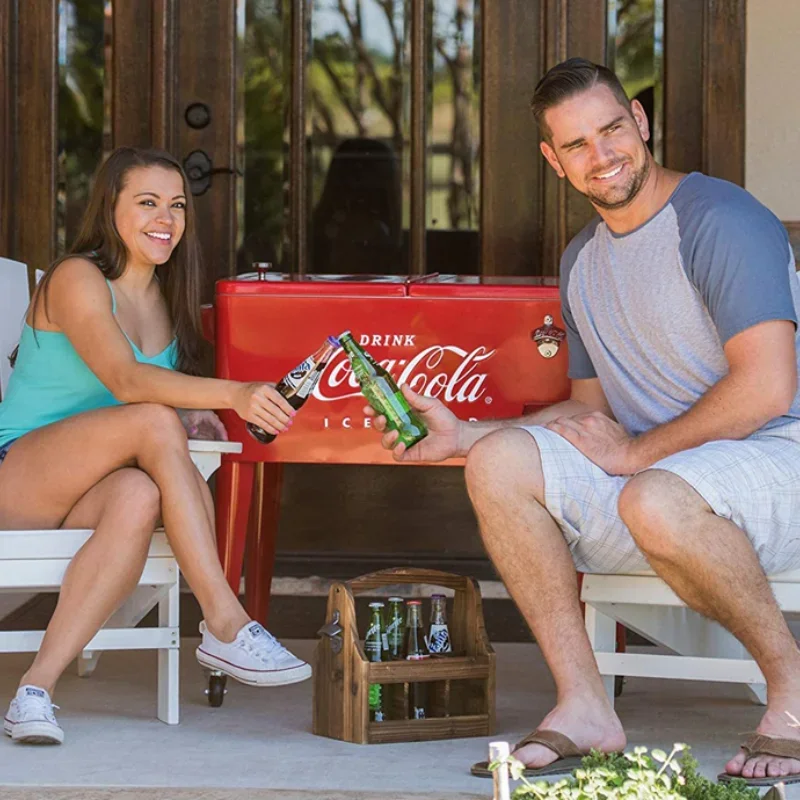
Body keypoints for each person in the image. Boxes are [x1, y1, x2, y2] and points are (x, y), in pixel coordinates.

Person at [366, 58, 800, 786]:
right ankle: (584, 708)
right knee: (500, 461)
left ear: (641, 119)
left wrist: (635, 454)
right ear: (553, 161)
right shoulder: (583, 263)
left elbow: (766, 386)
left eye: (612, 130)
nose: (602, 156)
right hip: (663, 482)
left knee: (651, 493)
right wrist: (468, 435)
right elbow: (593, 412)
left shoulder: (720, 220)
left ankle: (792, 690)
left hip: (772, 459)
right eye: (577, 145)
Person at [0, 147, 311, 746]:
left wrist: (203, 413)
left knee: (141, 495)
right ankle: (223, 619)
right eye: (146, 203)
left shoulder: (166, 302)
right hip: (18, 478)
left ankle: (34, 692)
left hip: (93, 487)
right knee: (151, 419)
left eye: (176, 205)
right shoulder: (77, 277)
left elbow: (156, 404)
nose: (164, 217)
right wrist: (235, 395)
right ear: (109, 210)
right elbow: (126, 381)